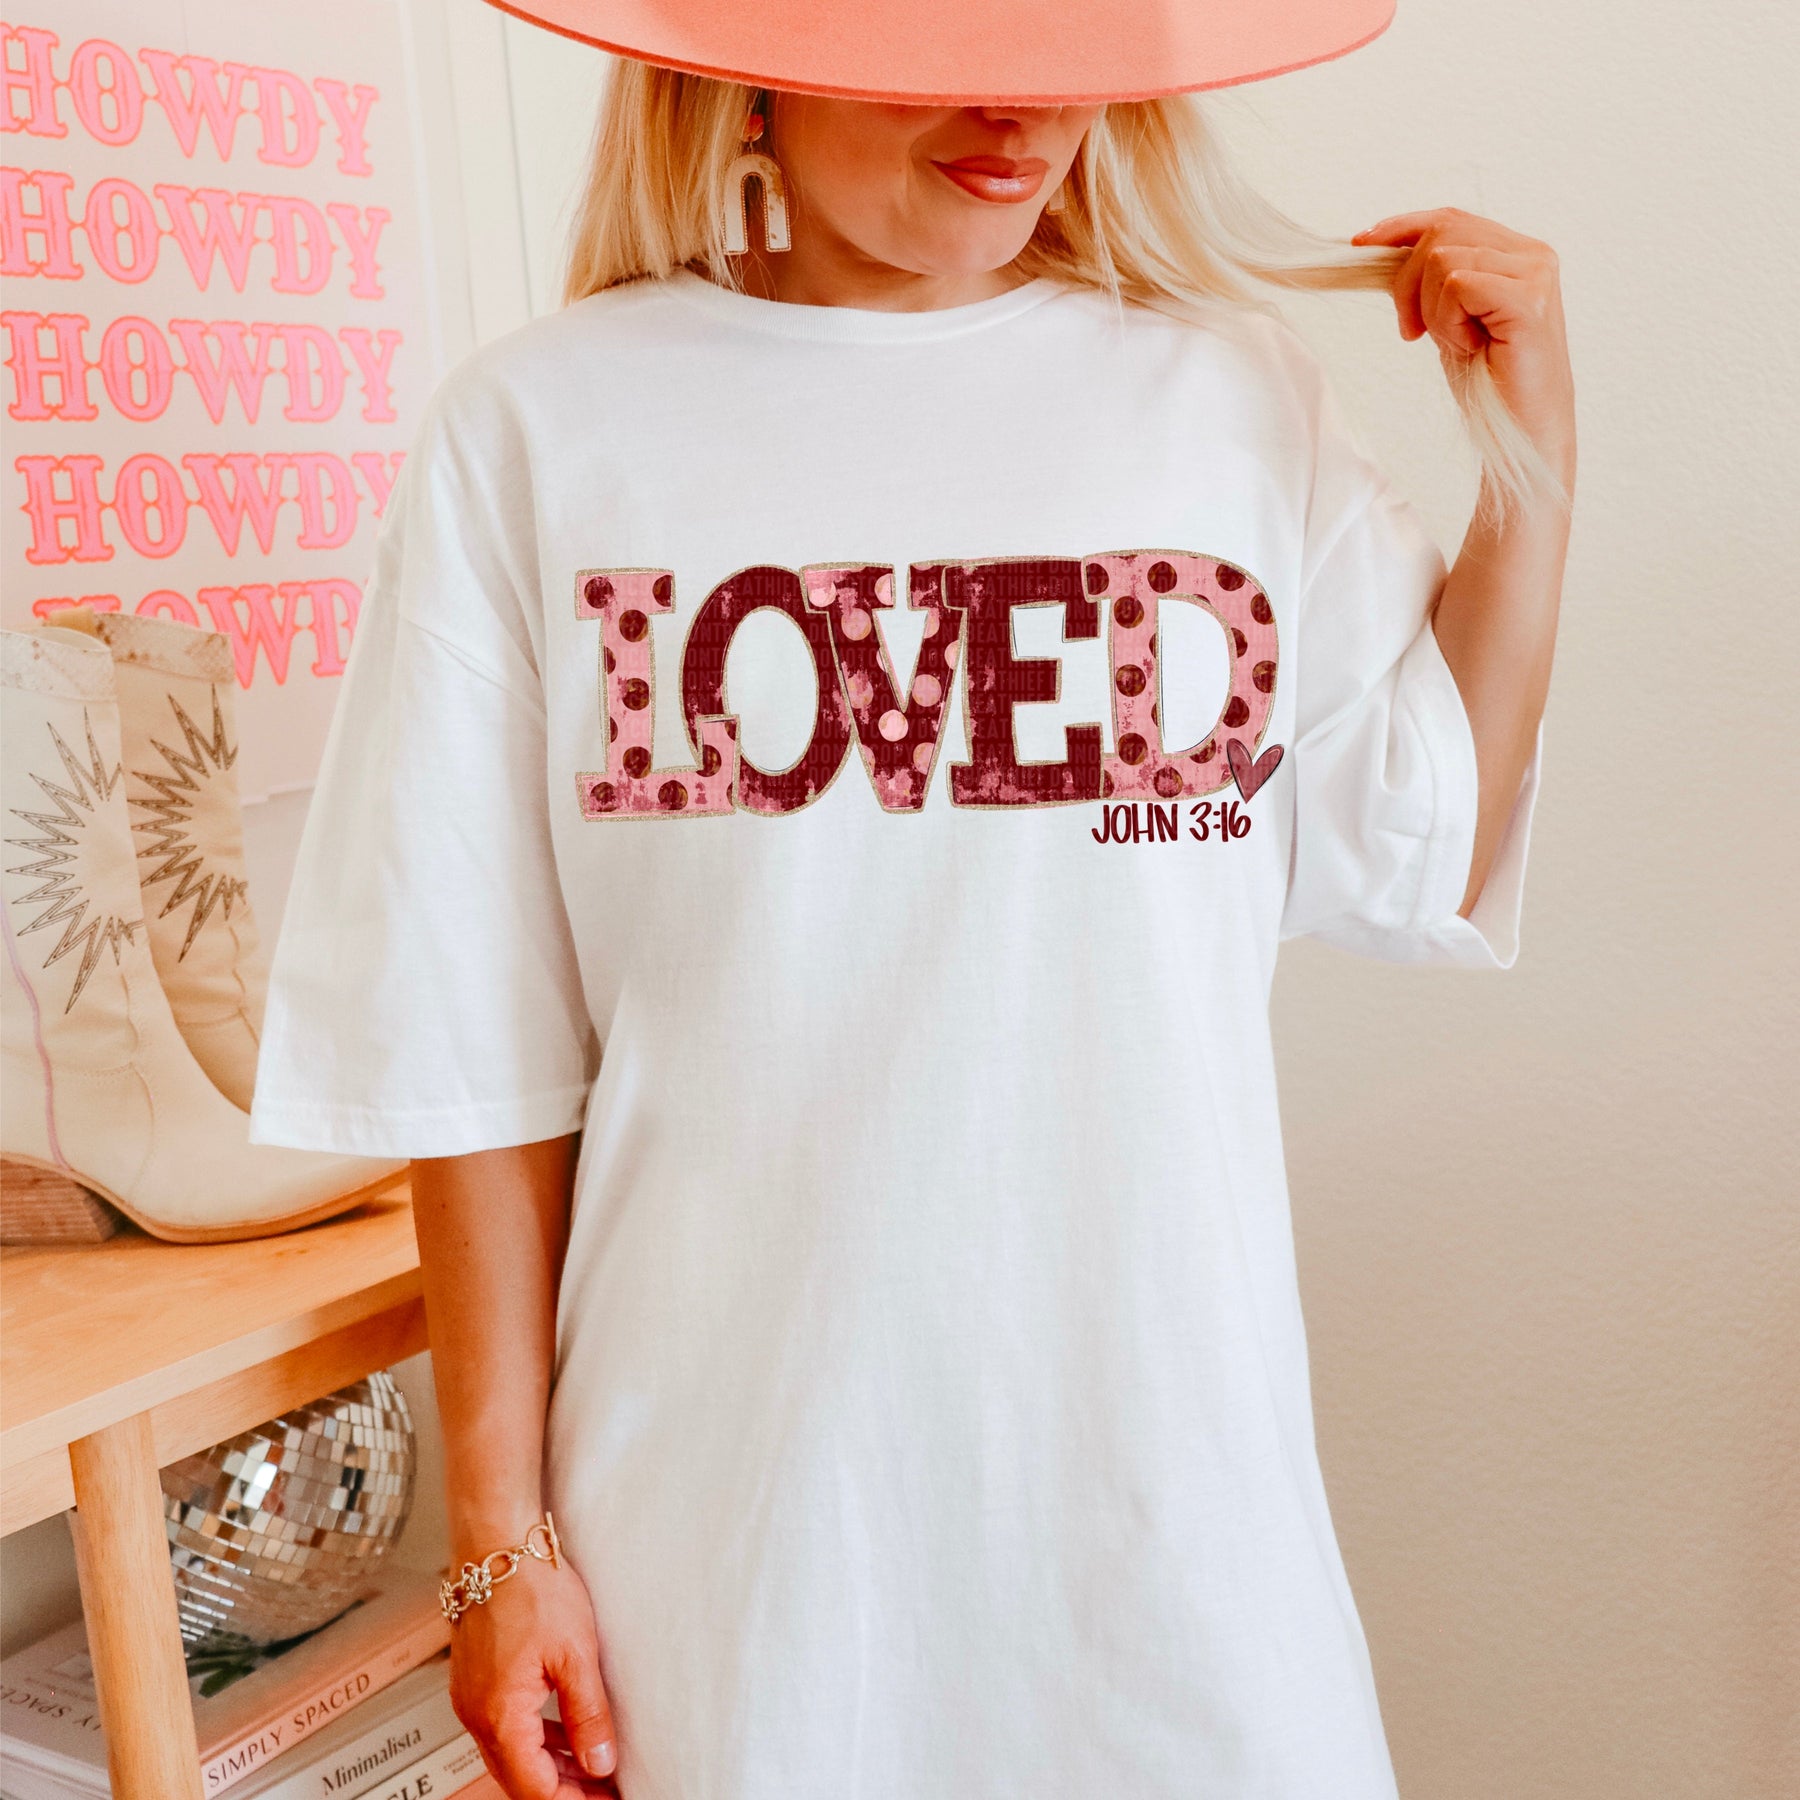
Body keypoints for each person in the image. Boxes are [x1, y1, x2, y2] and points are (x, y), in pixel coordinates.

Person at [250, 4, 1574, 1795]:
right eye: (939, 29)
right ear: (749, 56)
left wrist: (1534, 463)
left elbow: (1430, 837)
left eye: (1067, 34)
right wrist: (499, 1546)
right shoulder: (538, 432)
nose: (1019, 107)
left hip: (1177, 1538)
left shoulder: (1231, 403)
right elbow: (472, 1044)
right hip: (736, 1560)